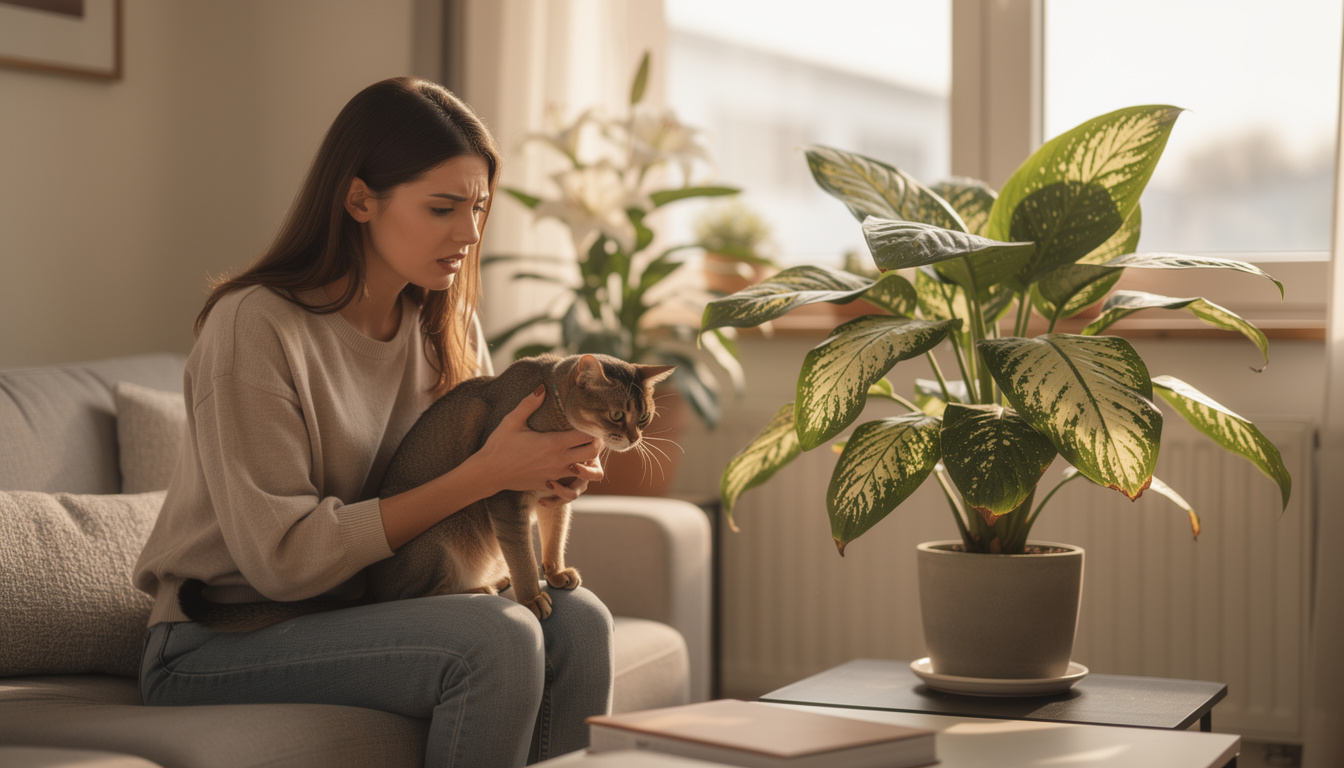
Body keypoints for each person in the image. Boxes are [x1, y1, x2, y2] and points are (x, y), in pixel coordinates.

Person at [132, 76, 612, 767]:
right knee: (498, 637)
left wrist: (540, 481)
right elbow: (284, 562)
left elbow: (477, 497)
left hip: (359, 611)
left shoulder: (445, 326)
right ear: (360, 199)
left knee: (580, 621)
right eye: (443, 207)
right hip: (215, 640)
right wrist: (485, 473)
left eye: (478, 207)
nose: (470, 233)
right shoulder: (256, 327)